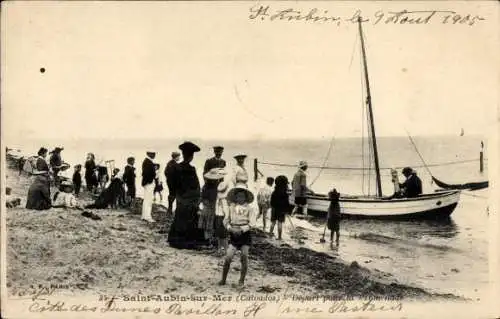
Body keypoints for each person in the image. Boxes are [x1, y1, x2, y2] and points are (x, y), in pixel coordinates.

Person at [167, 141, 207, 249]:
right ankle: (189, 242)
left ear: (183, 155)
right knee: (191, 220)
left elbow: (173, 185)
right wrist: (198, 198)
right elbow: (196, 186)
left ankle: (177, 241)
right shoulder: (191, 169)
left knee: (180, 218)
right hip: (190, 199)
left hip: (182, 198)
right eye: (191, 155)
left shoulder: (176, 168)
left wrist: (172, 201)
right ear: (190, 157)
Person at [219, 183, 255, 287]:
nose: (240, 198)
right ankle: (223, 279)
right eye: (238, 196)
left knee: (244, 256)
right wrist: (230, 228)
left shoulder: (250, 208)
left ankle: (241, 280)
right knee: (228, 257)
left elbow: (252, 223)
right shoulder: (231, 207)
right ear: (235, 197)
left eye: (242, 196)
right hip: (233, 234)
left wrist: (242, 229)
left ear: (246, 197)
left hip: (245, 235)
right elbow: (225, 220)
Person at [212, 169, 230, 256]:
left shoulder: (223, 198)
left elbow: (226, 209)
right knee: (220, 234)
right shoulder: (221, 187)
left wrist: (226, 217)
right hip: (219, 215)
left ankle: (225, 250)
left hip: (222, 215)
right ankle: (220, 249)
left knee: (223, 235)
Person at [269, 175, 290, 240]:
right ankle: (279, 237)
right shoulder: (285, 194)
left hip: (274, 208)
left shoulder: (274, 192)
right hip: (281, 210)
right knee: (280, 223)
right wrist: (287, 210)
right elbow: (286, 203)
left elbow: (271, 202)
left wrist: (273, 206)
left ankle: (270, 234)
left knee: (273, 222)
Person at [141, 151, 156, 222]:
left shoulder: (147, 161)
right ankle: (147, 217)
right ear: (148, 154)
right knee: (148, 200)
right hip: (149, 183)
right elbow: (147, 173)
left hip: (147, 182)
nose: (154, 155)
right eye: (153, 154)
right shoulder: (148, 162)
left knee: (147, 200)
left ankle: (144, 216)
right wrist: (150, 181)